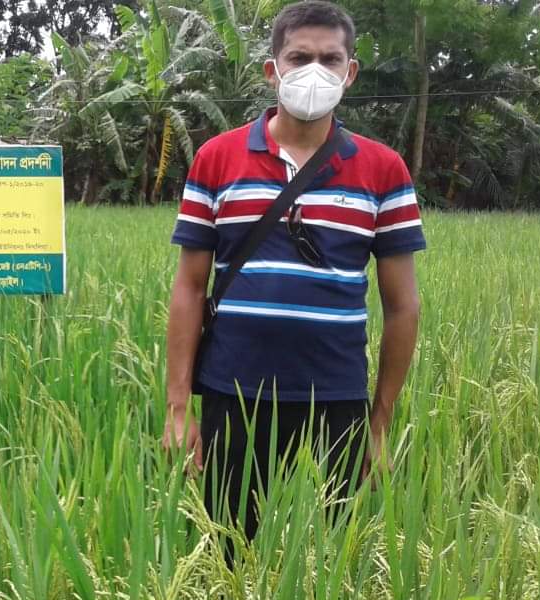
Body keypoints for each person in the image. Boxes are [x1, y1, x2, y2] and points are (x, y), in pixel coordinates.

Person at [162, 1, 423, 537]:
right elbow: (189, 288)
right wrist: (178, 408)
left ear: (350, 72)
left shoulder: (383, 170)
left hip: (337, 397)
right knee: (228, 550)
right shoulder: (217, 158)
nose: (314, 71)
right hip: (234, 392)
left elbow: (403, 307)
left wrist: (378, 424)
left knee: (331, 557)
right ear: (272, 70)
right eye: (299, 57)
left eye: (330, 59)